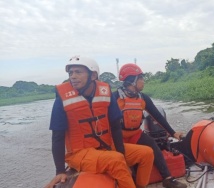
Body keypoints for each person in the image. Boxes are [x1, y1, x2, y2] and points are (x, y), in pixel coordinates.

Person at [44, 56, 154, 188]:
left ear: (93, 75)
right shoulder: (62, 98)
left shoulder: (105, 92)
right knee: (116, 160)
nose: (73, 76)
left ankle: (140, 185)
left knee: (146, 153)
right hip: (80, 153)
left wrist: (122, 154)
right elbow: (57, 137)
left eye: (78, 72)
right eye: (70, 73)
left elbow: (115, 127)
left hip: (106, 147)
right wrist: (60, 171)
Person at [113, 63, 187, 188]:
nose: (143, 82)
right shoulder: (115, 98)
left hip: (135, 134)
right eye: (141, 78)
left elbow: (158, 117)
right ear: (132, 81)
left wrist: (173, 133)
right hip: (117, 137)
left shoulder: (143, 98)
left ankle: (168, 179)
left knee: (153, 145)